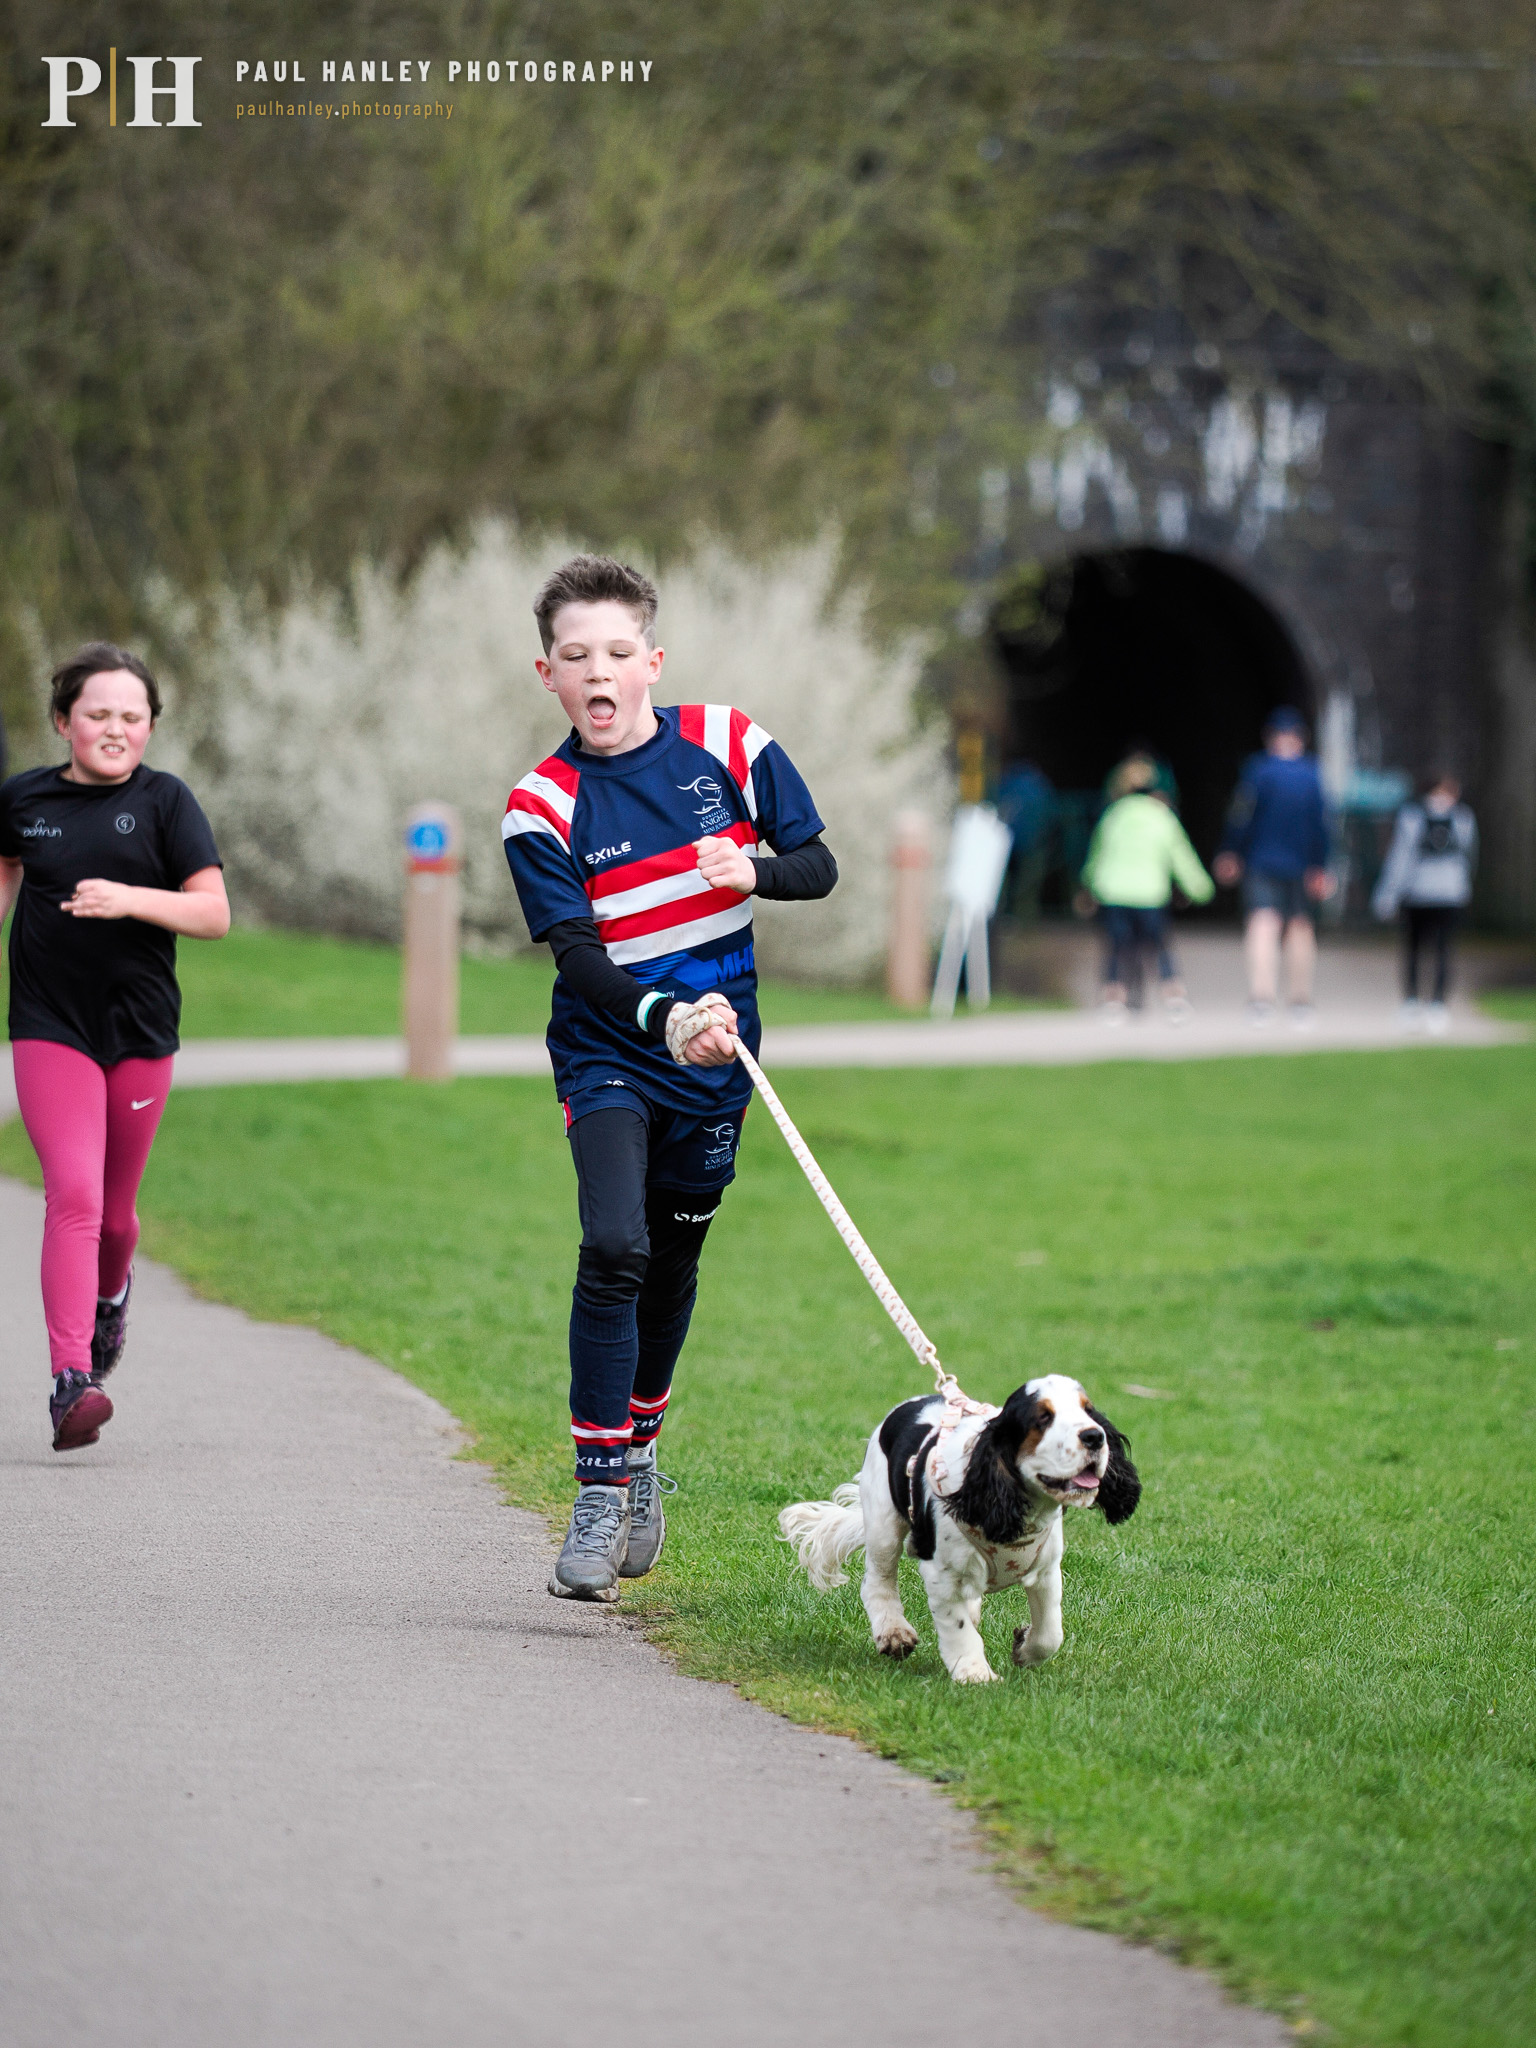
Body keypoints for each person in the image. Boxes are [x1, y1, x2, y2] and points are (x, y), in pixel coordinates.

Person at [502, 555, 836, 1601]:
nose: (596, 672)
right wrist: (664, 1015)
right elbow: (580, 961)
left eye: (615, 652)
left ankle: (641, 1444)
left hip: (720, 1064)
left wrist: (757, 872)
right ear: (547, 672)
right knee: (615, 1245)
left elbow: (817, 863)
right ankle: (599, 1489)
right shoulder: (539, 805)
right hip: (611, 1048)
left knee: (674, 1263)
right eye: (574, 656)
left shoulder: (732, 743)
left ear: (651, 660)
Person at [0, 643, 229, 1451]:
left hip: (138, 1031)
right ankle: (71, 1381)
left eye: (132, 716)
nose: (115, 728)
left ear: (150, 727)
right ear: (64, 720)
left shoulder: (167, 803)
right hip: (47, 1023)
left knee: (118, 1218)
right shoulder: (23, 800)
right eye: (98, 713)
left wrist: (129, 897)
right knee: (75, 1194)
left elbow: (213, 913)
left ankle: (110, 1300)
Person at [1213, 707, 1333, 1027]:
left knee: (1263, 924)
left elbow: (1241, 816)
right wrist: (1321, 866)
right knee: (1300, 928)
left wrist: (1230, 852)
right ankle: (1300, 1001)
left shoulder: (1258, 771)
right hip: (1301, 863)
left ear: (1270, 738)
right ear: (1301, 739)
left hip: (1261, 861)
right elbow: (1322, 826)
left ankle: (1262, 998)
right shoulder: (1313, 774)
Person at [1078, 753, 1213, 1021]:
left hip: (1114, 892)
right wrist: (1201, 889)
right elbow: (1181, 856)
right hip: (1150, 894)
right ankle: (1174, 998)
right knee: (1160, 947)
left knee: (1116, 947)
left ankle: (1113, 1001)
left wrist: (1088, 886)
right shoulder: (1161, 816)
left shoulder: (1113, 815)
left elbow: (1097, 855)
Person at [1372, 774, 1477, 1034]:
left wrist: (1387, 894)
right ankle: (1414, 1002)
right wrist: (1389, 894)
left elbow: (1467, 857)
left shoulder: (1461, 819)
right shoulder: (1415, 817)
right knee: (1416, 950)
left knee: (1439, 951)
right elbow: (1402, 858)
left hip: (1446, 896)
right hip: (1419, 895)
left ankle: (1435, 1004)